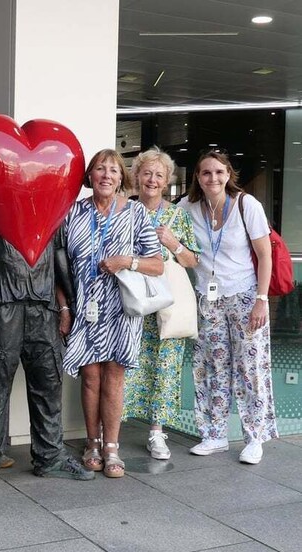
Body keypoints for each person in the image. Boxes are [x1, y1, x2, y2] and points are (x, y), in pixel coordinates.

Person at [0, 221, 94, 491]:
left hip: (44, 306)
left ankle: (50, 454)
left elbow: (60, 257)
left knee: (48, 381)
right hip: (2, 305)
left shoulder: (50, 211)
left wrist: (69, 304)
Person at [62, 149, 163, 478]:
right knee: (90, 377)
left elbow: (157, 264)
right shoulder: (72, 212)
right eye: (99, 169)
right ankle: (92, 442)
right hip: (85, 308)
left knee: (114, 378)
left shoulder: (134, 212)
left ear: (122, 178)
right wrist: (64, 307)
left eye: (113, 170)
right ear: (89, 176)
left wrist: (126, 261)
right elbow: (55, 265)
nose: (106, 175)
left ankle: (112, 448)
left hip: (121, 308)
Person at [178, 150, 277, 464]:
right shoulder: (188, 206)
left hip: (246, 296)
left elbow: (265, 256)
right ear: (197, 177)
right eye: (206, 173)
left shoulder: (247, 206)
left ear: (228, 174)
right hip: (209, 301)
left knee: (251, 370)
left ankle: (254, 438)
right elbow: (166, 225)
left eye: (219, 172)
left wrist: (262, 300)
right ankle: (215, 434)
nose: (213, 179)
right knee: (211, 368)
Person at [123, 147, 200, 460]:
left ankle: (157, 434)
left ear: (168, 181)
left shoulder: (177, 216)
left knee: (165, 369)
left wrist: (173, 242)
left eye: (159, 175)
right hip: (130, 302)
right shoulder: (125, 210)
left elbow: (192, 260)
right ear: (137, 177)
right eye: (147, 173)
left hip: (166, 304)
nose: (152, 180)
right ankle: (110, 429)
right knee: (124, 365)